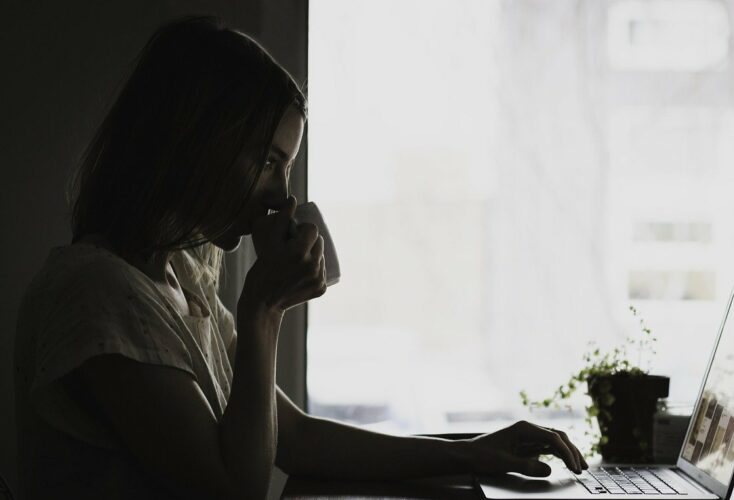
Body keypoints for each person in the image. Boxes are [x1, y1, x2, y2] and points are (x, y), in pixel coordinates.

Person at [14, 16, 587, 500]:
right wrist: (264, 310)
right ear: (195, 143)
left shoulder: (180, 282)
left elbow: (296, 437)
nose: (282, 196)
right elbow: (233, 490)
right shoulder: (97, 293)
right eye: (268, 161)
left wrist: (471, 452)